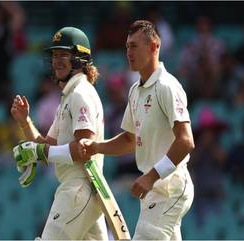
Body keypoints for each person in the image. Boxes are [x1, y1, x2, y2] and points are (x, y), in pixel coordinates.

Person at [81, 20, 195, 240]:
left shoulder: (167, 87)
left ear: (154, 47)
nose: (128, 52)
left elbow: (186, 141)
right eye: (126, 47)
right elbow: (129, 140)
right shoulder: (135, 90)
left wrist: (151, 176)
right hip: (154, 191)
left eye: (134, 46)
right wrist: (95, 147)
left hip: (170, 188)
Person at [10, 27, 108, 240]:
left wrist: (38, 152)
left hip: (79, 188)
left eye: (64, 54)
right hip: (81, 190)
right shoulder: (68, 97)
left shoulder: (80, 94)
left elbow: (84, 148)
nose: (57, 60)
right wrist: (26, 122)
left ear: (80, 58)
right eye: (54, 55)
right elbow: (47, 147)